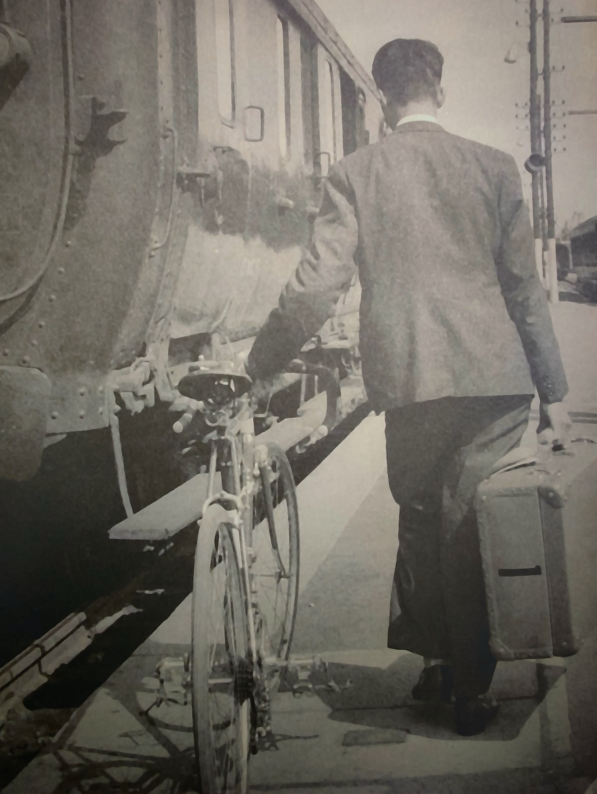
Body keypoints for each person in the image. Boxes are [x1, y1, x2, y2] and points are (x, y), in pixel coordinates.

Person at [245, 38, 571, 736]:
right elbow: (523, 289)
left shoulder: (355, 172)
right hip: (493, 379)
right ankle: (458, 672)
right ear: (440, 91)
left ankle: (454, 673)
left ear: (383, 99)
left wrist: (261, 362)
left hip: (409, 376)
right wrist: (555, 394)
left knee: (424, 513)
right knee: (468, 516)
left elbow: (317, 284)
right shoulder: (492, 166)